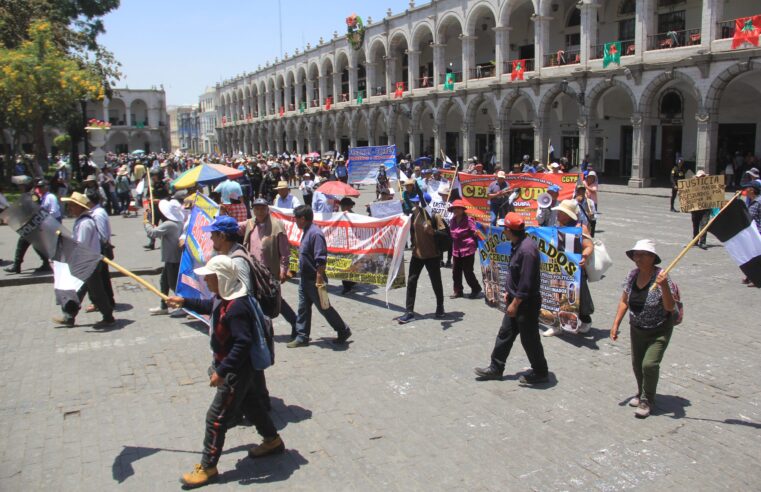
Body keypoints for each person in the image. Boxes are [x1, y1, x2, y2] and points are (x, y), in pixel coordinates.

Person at [166, 255, 283, 488]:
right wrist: (184, 301)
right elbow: (210, 306)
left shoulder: (237, 307)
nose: (207, 281)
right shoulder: (224, 297)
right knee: (251, 405)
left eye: (210, 277)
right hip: (240, 369)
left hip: (236, 371)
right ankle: (272, 440)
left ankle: (208, 467)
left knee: (216, 418)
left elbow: (242, 343)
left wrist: (222, 371)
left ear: (222, 278)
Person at [474, 212, 549, 385]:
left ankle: (540, 371)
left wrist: (515, 303)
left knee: (529, 339)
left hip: (525, 303)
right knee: (505, 334)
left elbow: (526, 283)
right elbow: (516, 275)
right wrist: (510, 291)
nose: (503, 231)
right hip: (515, 299)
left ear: (509, 230)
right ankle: (496, 368)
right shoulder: (518, 244)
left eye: (504, 228)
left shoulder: (527, 250)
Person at [610, 239, 677, 419]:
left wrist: (663, 286)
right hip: (637, 328)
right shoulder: (632, 275)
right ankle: (641, 392)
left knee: (649, 364)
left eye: (641, 255)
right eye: (635, 255)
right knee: (637, 364)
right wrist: (616, 324)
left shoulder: (662, 276)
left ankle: (648, 399)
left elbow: (670, 307)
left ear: (652, 257)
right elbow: (624, 301)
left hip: (659, 329)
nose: (637, 258)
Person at [288, 205, 352, 348]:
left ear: (303, 219)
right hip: (304, 278)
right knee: (303, 307)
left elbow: (321, 259)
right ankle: (302, 336)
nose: (295, 221)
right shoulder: (306, 231)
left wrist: (319, 277)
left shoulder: (315, 234)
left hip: (314, 279)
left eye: (296, 218)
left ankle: (343, 330)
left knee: (324, 307)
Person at [52, 192, 115, 328]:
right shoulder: (82, 221)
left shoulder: (85, 223)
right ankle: (70, 316)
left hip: (88, 262)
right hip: (88, 262)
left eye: (72, 206)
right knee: (81, 290)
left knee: (94, 291)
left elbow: (81, 245)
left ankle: (107, 316)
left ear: (80, 207)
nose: (70, 208)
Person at [240, 198, 299, 338]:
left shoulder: (277, 226)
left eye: (262, 208)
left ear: (267, 209)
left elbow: (285, 252)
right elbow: (233, 227)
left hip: (270, 271)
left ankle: (296, 323)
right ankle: (261, 329)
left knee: (275, 300)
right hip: (254, 270)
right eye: (256, 208)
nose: (259, 211)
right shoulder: (250, 223)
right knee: (257, 299)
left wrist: (284, 270)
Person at [543, 199, 595, 336]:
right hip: (558, 268)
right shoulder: (557, 225)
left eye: (561, 212)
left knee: (577, 298)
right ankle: (556, 325)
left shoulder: (580, 227)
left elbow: (589, 246)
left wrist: (584, 256)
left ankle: (585, 320)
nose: (558, 214)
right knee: (556, 296)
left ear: (568, 214)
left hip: (575, 270)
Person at [397, 193, 447, 324]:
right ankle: (409, 311)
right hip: (417, 255)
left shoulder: (435, 216)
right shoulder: (414, 215)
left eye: (416, 202)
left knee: (436, 281)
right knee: (412, 281)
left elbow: (445, 235)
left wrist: (433, 232)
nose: (414, 204)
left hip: (432, 255)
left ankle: (440, 306)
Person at [144, 199, 184, 315]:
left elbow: (152, 233)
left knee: (173, 283)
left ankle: (183, 306)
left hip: (172, 258)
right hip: (173, 257)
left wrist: (146, 222)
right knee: (164, 281)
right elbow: (164, 235)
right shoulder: (178, 223)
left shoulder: (169, 224)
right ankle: (163, 305)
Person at [448, 200, 482, 299]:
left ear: (463, 210)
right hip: (456, 249)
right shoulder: (452, 221)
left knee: (468, 271)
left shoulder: (468, 220)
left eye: (458, 208)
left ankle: (476, 288)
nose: (456, 210)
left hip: (468, 248)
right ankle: (458, 291)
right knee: (455, 271)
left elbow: (475, 231)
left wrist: (476, 233)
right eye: (455, 208)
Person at [742, 179, 761, 286]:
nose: (745, 190)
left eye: (747, 188)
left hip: (758, 233)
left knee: (755, 256)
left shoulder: (757, 202)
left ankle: (755, 278)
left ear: (752, 190)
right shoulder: (756, 201)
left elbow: (748, 217)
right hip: (756, 233)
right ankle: (750, 276)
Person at [337, 197, 358, 295]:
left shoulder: (353, 216)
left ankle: (348, 285)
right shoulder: (339, 215)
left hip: (351, 243)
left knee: (350, 264)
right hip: (342, 243)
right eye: (342, 205)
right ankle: (347, 284)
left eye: (344, 205)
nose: (342, 207)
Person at [689, 170, 711, 250]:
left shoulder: (709, 184)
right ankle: (695, 240)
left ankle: (702, 242)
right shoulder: (692, 184)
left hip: (705, 209)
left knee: (704, 225)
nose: (701, 178)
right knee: (695, 225)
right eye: (699, 177)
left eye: (702, 177)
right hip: (695, 209)